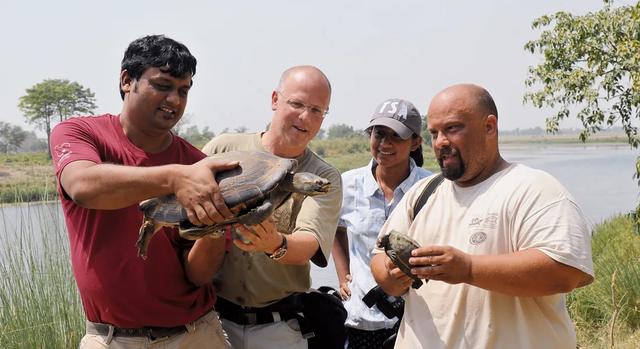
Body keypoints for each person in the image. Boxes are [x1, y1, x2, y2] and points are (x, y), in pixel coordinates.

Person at [370, 84, 595, 349]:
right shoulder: (423, 192)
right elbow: (379, 256)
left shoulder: (534, 189)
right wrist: (392, 276)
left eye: (453, 128)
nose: (441, 141)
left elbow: (565, 272)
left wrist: (469, 269)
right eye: (434, 133)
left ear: (489, 127)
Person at [50, 34, 234, 348]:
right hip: (110, 338)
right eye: (162, 85)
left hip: (195, 334)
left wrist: (216, 227)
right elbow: (82, 186)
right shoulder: (81, 133)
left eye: (184, 90)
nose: (175, 100)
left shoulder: (198, 166)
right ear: (127, 81)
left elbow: (198, 275)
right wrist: (175, 178)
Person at [201, 65, 343, 349]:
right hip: (212, 322)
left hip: (280, 327)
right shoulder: (224, 150)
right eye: (297, 104)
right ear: (275, 100)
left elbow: (310, 242)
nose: (305, 117)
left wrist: (274, 243)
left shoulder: (320, 177)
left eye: (317, 110)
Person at [332, 98, 431, 348]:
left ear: (416, 142)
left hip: (417, 317)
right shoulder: (349, 184)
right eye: (379, 134)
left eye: (396, 136)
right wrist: (343, 275)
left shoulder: (431, 188)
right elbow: (334, 227)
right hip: (362, 319)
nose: (385, 144)